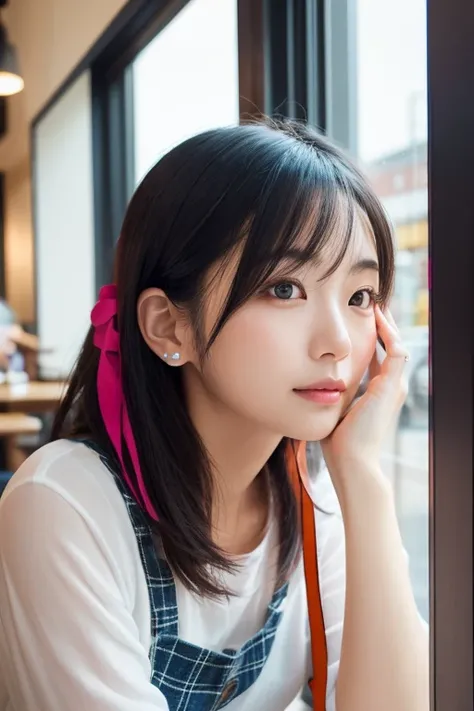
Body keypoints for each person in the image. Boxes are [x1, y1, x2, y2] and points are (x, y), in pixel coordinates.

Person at [0, 119, 429, 711]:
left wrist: (363, 474)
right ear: (168, 326)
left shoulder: (313, 507)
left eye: (360, 297)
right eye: (284, 288)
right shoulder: (64, 504)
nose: (337, 342)